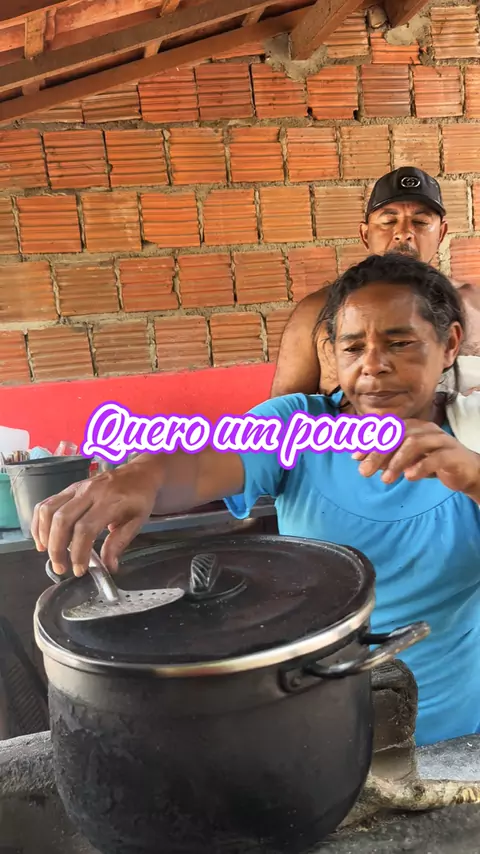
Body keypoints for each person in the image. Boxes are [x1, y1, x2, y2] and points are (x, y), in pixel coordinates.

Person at [32, 253, 480, 748]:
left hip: (454, 740)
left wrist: (475, 478)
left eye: (400, 343)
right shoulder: (297, 426)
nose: (373, 365)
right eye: (353, 347)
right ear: (332, 354)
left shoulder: (473, 435)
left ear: (449, 344)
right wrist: (142, 474)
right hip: (316, 727)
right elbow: (202, 464)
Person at [271, 166, 480, 398]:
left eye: (420, 222)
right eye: (389, 221)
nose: (404, 233)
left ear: (441, 233)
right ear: (365, 234)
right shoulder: (315, 311)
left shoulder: (474, 303)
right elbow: (283, 411)